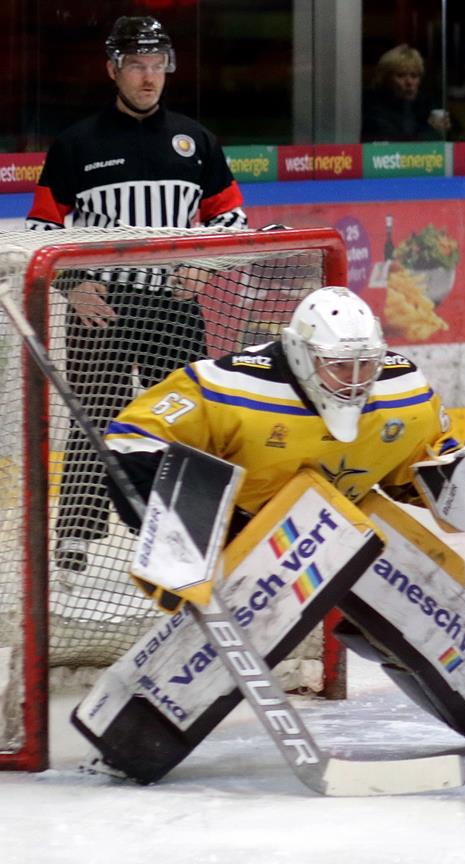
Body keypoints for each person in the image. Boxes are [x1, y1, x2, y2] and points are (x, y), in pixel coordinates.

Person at [82, 285, 465, 783]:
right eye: (340, 366)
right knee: (318, 531)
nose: (356, 381)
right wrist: (177, 524)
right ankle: (133, 725)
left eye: (367, 365)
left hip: (349, 528)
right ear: (301, 355)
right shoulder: (229, 388)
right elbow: (131, 438)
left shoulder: (403, 393)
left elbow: (418, 474)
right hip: (252, 540)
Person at [26, 15, 248, 575]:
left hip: (173, 305)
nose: (149, 78)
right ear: (113, 70)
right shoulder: (77, 144)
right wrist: (73, 286)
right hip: (102, 310)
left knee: (193, 417)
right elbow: (42, 231)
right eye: (136, 67)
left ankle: (194, 531)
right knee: (91, 417)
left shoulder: (196, 141)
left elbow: (233, 220)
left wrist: (207, 266)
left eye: (157, 66)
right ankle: (75, 542)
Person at [362, 44, 450, 141]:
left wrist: (445, 128)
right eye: (401, 75)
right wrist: (431, 130)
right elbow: (395, 144)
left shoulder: (425, 103)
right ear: (386, 79)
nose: (409, 82)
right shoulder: (373, 106)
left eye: (414, 76)